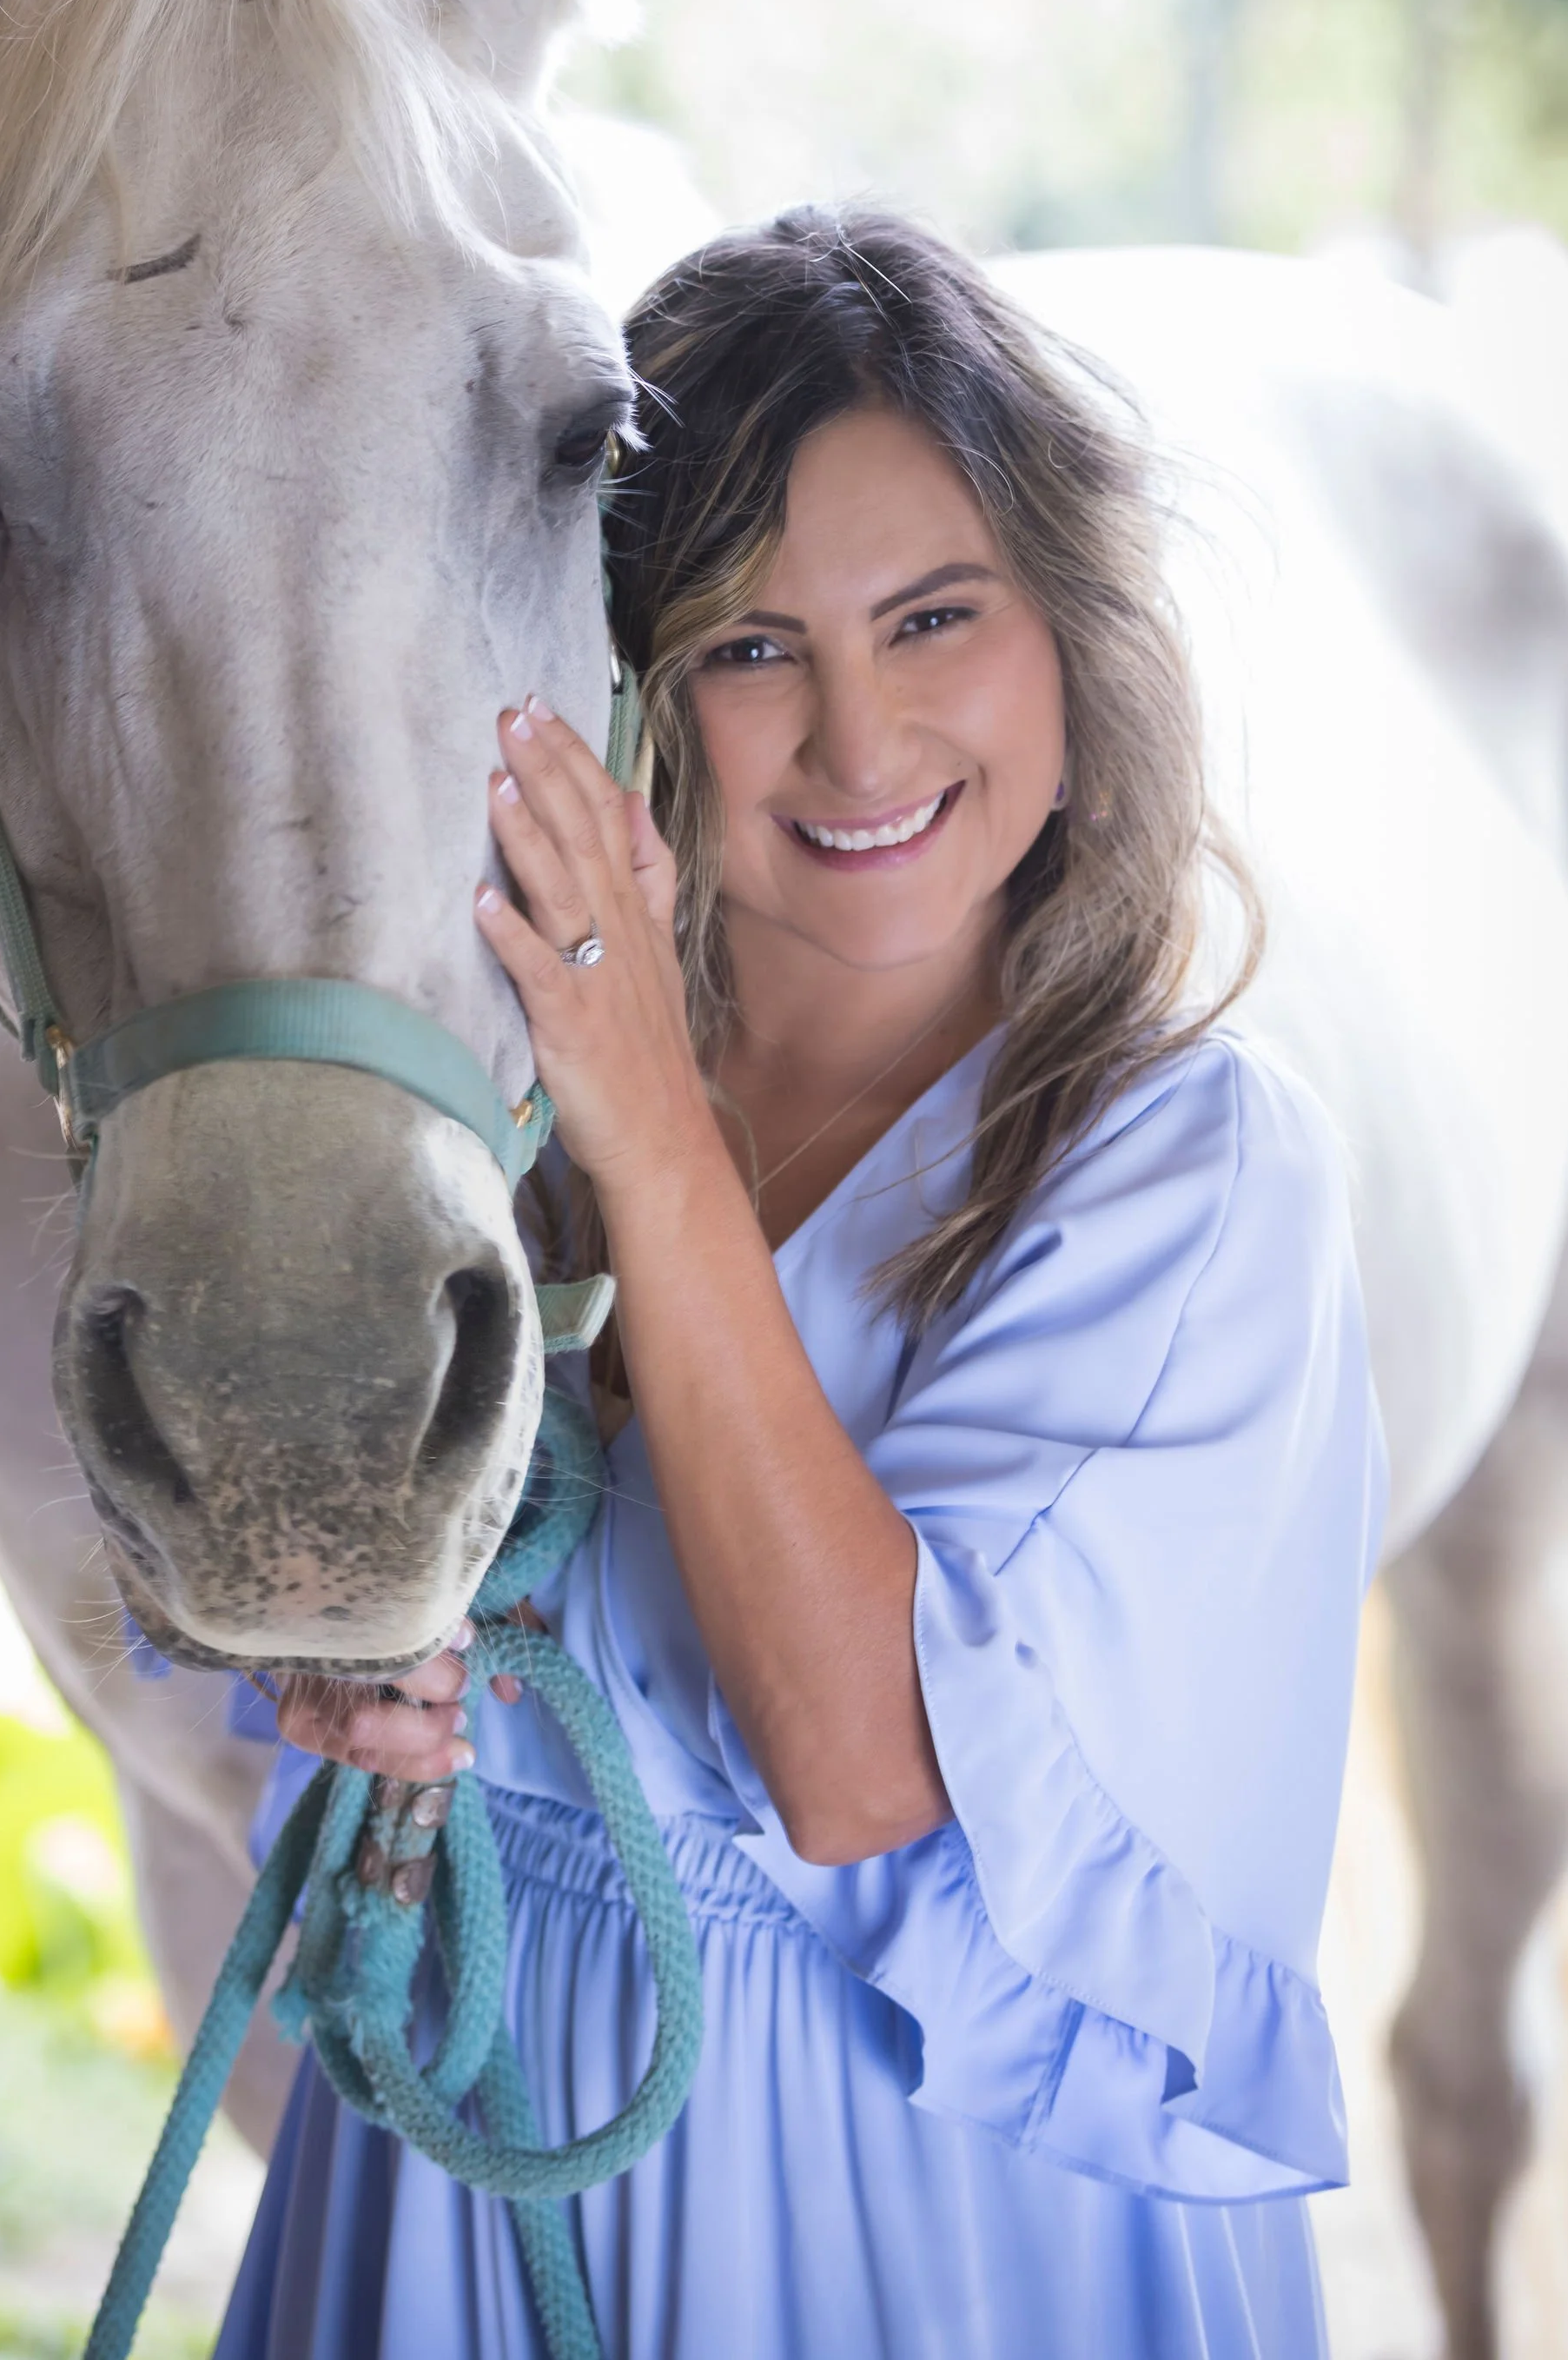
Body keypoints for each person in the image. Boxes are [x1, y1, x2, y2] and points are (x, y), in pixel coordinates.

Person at [213, 205, 1386, 2360]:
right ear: (626, 690)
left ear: (1068, 631)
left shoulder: (1189, 1181)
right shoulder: (492, 1115)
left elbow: (861, 1768)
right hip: (458, 2174)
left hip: (905, 2230)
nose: (859, 744)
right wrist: (346, 1671)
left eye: (932, 616)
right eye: (753, 649)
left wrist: (648, 1120)